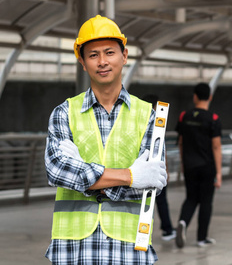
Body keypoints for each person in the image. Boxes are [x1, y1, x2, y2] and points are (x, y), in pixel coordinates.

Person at [44, 15, 168, 264]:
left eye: (109, 52)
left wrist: (83, 173)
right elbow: (57, 171)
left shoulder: (148, 116)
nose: (102, 62)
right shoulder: (64, 112)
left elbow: (149, 185)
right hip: (74, 249)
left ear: (124, 56)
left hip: (129, 248)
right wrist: (131, 176)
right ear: (82, 62)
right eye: (93, 55)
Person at [175, 82, 222, 248]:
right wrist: (219, 173)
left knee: (191, 198)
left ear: (195, 96)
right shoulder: (213, 119)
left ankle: (182, 222)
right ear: (210, 97)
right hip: (207, 166)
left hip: (189, 165)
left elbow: (180, 143)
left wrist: (183, 163)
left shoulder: (184, 116)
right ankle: (201, 238)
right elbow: (216, 146)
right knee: (206, 202)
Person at [143, 94, 176, 242]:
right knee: (160, 200)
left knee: (147, 202)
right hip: (152, 169)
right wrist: (166, 170)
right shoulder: (155, 124)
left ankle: (162, 229)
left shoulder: (139, 123)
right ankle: (167, 229)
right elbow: (162, 148)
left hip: (144, 169)